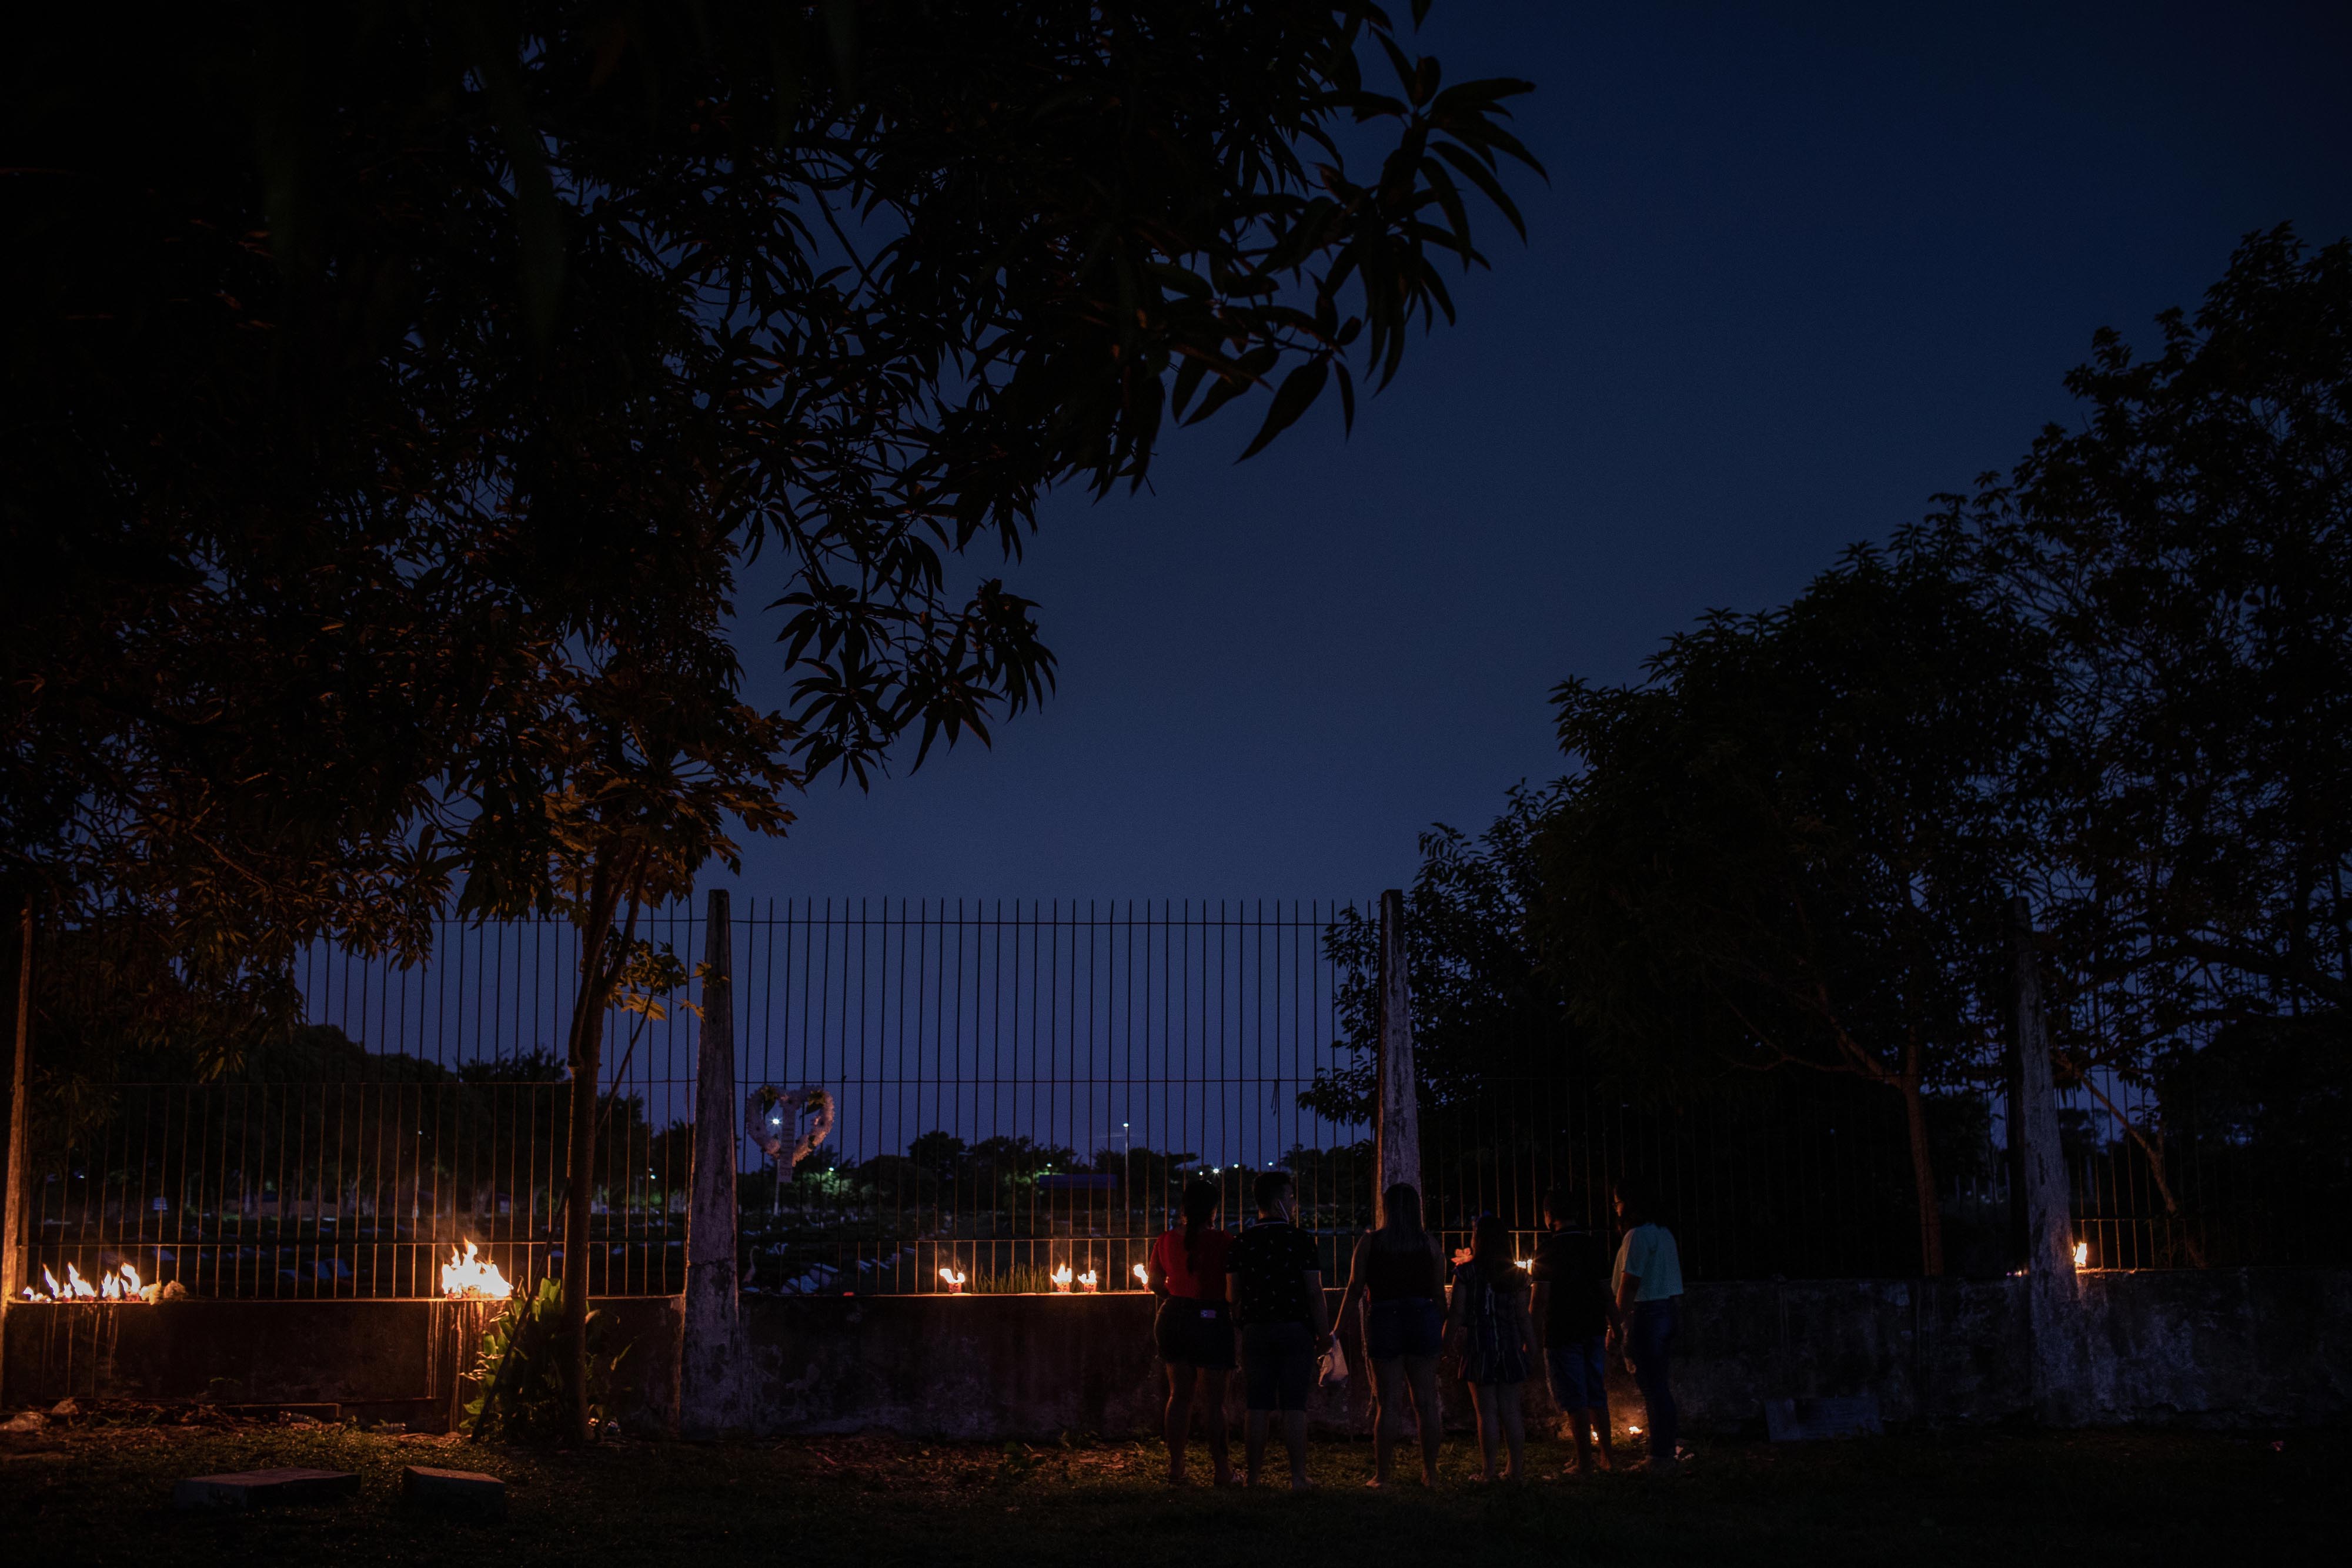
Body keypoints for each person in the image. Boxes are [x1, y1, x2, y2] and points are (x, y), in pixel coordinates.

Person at [1225, 1168, 1332, 1491]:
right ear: (1277, 1202)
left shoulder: (1242, 1243)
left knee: (1256, 1404)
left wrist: (1243, 1321)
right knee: (1294, 1405)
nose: (1294, 1203)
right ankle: (1298, 1477)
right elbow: (1314, 1293)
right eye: (1290, 1197)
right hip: (1295, 1330)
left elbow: (1233, 1296)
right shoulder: (1300, 1241)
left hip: (1257, 1330)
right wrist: (1324, 1334)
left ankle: (1254, 1478)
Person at [1334, 1182, 1446, 1489]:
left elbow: (1355, 1288)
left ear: (1387, 1210)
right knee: (1426, 1401)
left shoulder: (1371, 1243)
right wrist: (1444, 1327)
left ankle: (1382, 1477)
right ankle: (1431, 1474)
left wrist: (1336, 1330)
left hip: (1385, 1319)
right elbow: (1439, 1293)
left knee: (1387, 1403)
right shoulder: (1430, 1245)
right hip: (1424, 1318)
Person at [1145, 1178, 1235, 1485]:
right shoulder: (1224, 1241)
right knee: (1214, 1402)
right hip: (1211, 1318)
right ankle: (1222, 1471)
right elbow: (1233, 1287)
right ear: (1213, 1209)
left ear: (1183, 1209)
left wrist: (1176, 1299)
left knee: (1179, 1396)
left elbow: (1155, 1283)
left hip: (1172, 1317)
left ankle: (1176, 1469)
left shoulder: (1165, 1240)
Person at [1529, 1186, 1616, 1476]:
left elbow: (1539, 1301)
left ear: (1548, 1216)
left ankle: (1584, 1463)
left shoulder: (1548, 1251)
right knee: (1595, 1392)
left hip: (1562, 1331)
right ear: (1576, 1213)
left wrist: (1530, 1337)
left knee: (1573, 1397)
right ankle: (1607, 1458)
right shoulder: (1593, 1246)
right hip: (1593, 1328)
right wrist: (1617, 1328)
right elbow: (1607, 1293)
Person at [1442, 1212, 1533, 1483]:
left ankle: (1489, 1472)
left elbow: (1456, 1314)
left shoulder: (1466, 1273)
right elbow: (1523, 1316)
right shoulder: (1517, 1276)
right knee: (1511, 1409)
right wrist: (1533, 1346)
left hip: (1480, 1346)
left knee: (1486, 1413)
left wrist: (1444, 1346)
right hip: (1510, 1346)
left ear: (1477, 1239)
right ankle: (1515, 1471)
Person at [1608, 1175, 1683, 1475]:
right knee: (1659, 1386)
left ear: (1629, 1204)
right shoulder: (1664, 1233)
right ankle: (1664, 1450)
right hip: (1667, 1310)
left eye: (1617, 1203)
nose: (1616, 1209)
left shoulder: (1637, 1236)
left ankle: (1660, 1457)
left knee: (1653, 1388)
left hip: (1647, 1314)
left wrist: (1614, 1326)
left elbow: (1629, 1285)